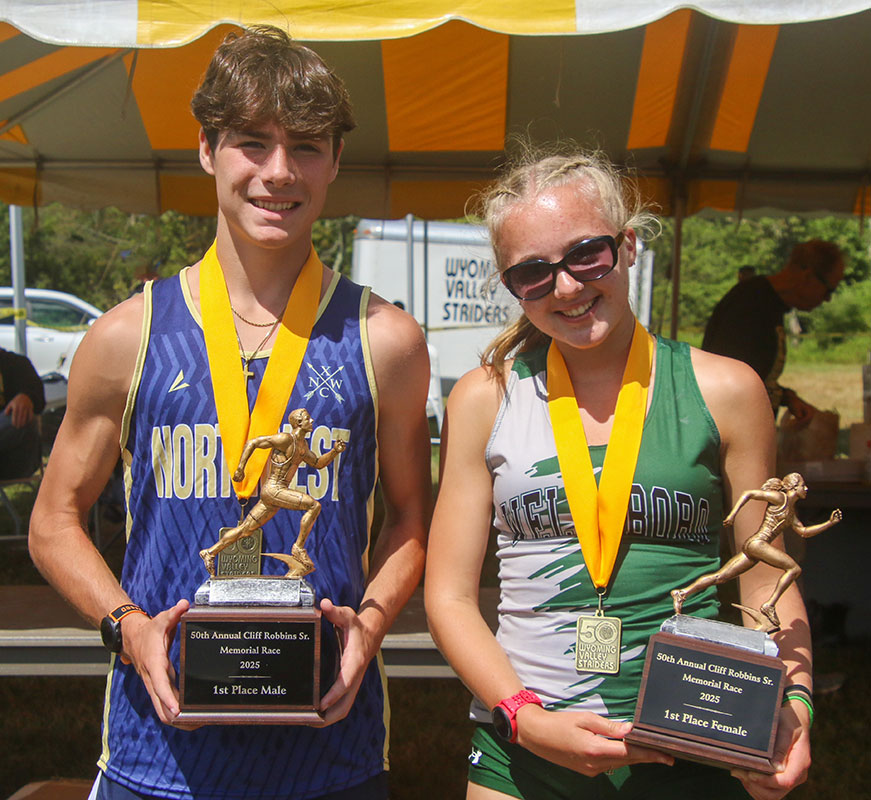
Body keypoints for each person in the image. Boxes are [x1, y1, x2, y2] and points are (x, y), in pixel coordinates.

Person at [29, 26, 431, 800]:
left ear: (336, 161)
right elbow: (52, 521)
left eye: (307, 146)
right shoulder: (125, 336)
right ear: (207, 149)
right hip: (157, 758)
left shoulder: (386, 340)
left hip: (330, 753)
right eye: (253, 143)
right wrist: (127, 626)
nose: (279, 173)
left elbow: (411, 519)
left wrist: (369, 629)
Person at [425, 147, 813, 800]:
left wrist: (795, 711)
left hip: (692, 742)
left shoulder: (725, 390)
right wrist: (525, 718)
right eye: (533, 272)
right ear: (511, 284)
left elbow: (766, 588)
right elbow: (449, 598)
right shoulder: (482, 399)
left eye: (586, 255)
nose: (568, 287)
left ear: (627, 245)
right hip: (522, 752)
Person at [702, 241, 844, 426]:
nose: (827, 299)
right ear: (808, 276)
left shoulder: (770, 304)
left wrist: (786, 397)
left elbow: (755, 374)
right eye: (828, 290)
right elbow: (726, 381)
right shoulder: (750, 304)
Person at [0, 345, 45, 479]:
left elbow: (37, 394)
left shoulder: (16, 364)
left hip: (11, 456)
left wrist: (27, 397)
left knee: (22, 417)